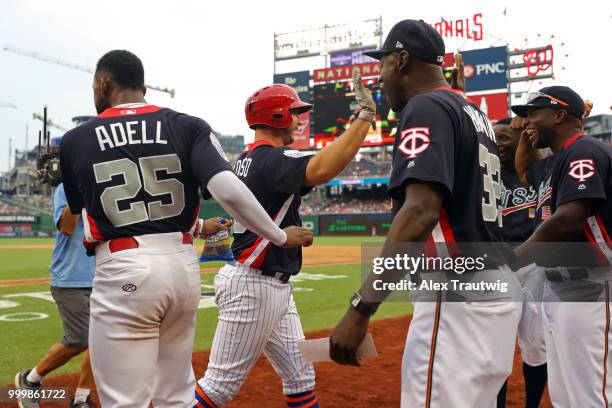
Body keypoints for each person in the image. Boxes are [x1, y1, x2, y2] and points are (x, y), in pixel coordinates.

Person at [59, 49, 312, 407]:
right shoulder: (188, 124)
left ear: (103, 84)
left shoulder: (75, 139)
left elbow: (77, 212)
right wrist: (281, 235)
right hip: (181, 265)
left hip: (123, 265)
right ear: (144, 87)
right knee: (176, 395)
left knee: (125, 399)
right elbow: (228, 191)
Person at [328, 19, 521, 407]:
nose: (380, 77)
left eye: (383, 64)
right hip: (493, 287)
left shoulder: (426, 106)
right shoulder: (475, 112)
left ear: (402, 60)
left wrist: (362, 306)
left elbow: (419, 213)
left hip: (455, 292)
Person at [194, 69, 376, 408]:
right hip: (255, 284)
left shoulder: (246, 160)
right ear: (276, 114)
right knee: (218, 388)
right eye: (294, 113)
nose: (298, 121)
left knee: (300, 377)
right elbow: (323, 167)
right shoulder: (271, 159)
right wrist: (364, 118)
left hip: (266, 282)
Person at [512, 86, 612, 406]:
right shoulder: (554, 163)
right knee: (565, 397)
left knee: (591, 396)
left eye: (533, 112)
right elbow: (524, 170)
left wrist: (511, 260)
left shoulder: (583, 149)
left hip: (592, 288)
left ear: (559, 115)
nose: (527, 120)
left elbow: (569, 218)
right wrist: (527, 133)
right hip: (561, 290)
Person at [15, 147, 96, 408]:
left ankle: (82, 397)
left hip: (100, 276)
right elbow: (67, 227)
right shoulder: (65, 188)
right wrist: (80, 188)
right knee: (80, 337)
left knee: (102, 340)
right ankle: (31, 378)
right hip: (70, 277)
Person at [494, 119, 547, 408]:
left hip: (535, 266)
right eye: (495, 139)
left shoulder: (538, 170)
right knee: (497, 344)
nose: (499, 143)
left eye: (504, 137)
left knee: (536, 346)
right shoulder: (487, 174)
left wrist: (528, 133)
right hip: (500, 266)